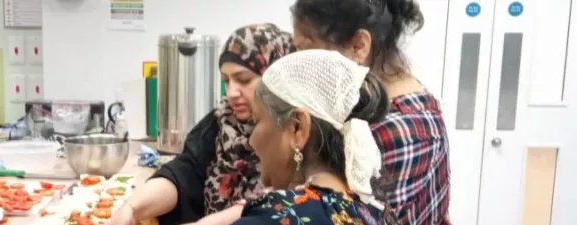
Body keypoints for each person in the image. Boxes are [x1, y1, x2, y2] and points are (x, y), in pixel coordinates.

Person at [108, 24, 295, 225]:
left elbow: (273, 203)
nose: (231, 92)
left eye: (243, 79)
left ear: (275, 79)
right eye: (226, 80)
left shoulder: (293, 132)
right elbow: (184, 173)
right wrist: (132, 207)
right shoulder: (221, 121)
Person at [290, 0, 451, 224]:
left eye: (305, 50)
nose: (297, 65)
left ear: (358, 46)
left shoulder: (394, 131)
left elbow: (339, 214)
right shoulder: (393, 105)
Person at [233, 49, 392, 225]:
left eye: (256, 121)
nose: (251, 141)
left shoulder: (276, 218)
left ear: (297, 128)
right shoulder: (375, 212)